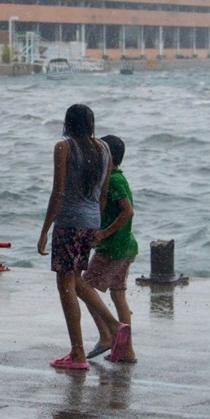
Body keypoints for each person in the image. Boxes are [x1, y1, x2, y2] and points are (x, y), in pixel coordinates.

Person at [37, 104, 128, 370]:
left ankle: (77, 353)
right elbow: (102, 193)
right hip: (90, 222)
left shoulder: (63, 148)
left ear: (67, 123)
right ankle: (112, 325)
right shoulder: (104, 149)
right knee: (75, 280)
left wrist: (45, 229)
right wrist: (95, 224)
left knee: (65, 287)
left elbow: (58, 193)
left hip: (69, 224)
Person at [82, 135, 138, 363]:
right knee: (118, 295)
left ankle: (107, 335)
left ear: (107, 157)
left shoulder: (113, 181)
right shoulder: (117, 178)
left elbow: (128, 211)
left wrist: (103, 233)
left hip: (112, 248)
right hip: (126, 246)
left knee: (83, 286)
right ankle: (127, 350)